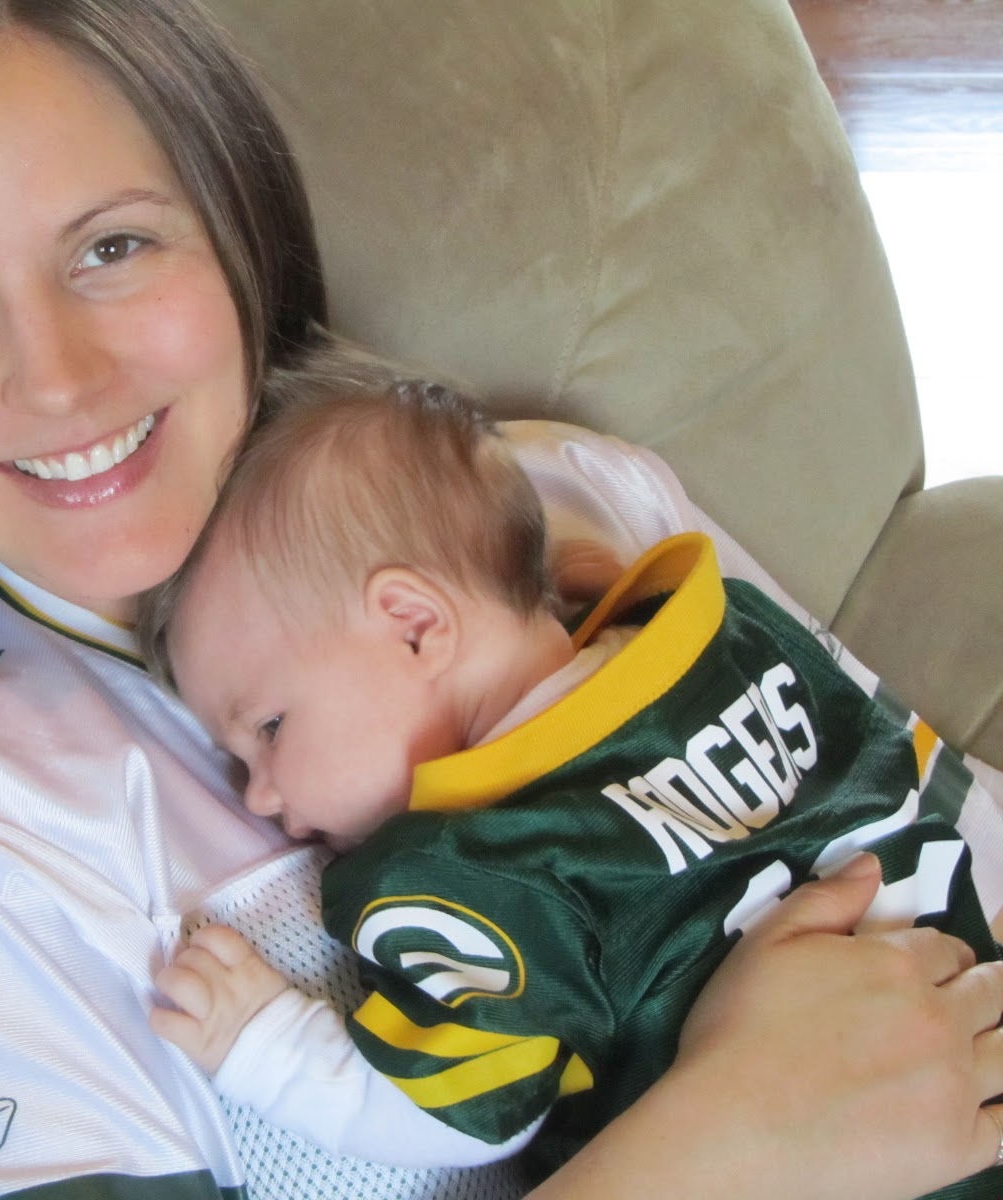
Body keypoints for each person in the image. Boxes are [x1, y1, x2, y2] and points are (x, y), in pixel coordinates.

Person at [0, 1, 1003, 1197]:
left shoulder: (551, 495)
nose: (59, 379)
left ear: (234, 224)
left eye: (111, 246)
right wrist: (727, 1144)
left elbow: (939, 820)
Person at [136, 344, 1003, 1195]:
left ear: (415, 626)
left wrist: (265, 1042)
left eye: (270, 728)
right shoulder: (725, 633)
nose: (259, 793)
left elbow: (460, 1116)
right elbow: (913, 775)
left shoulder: (472, 871)